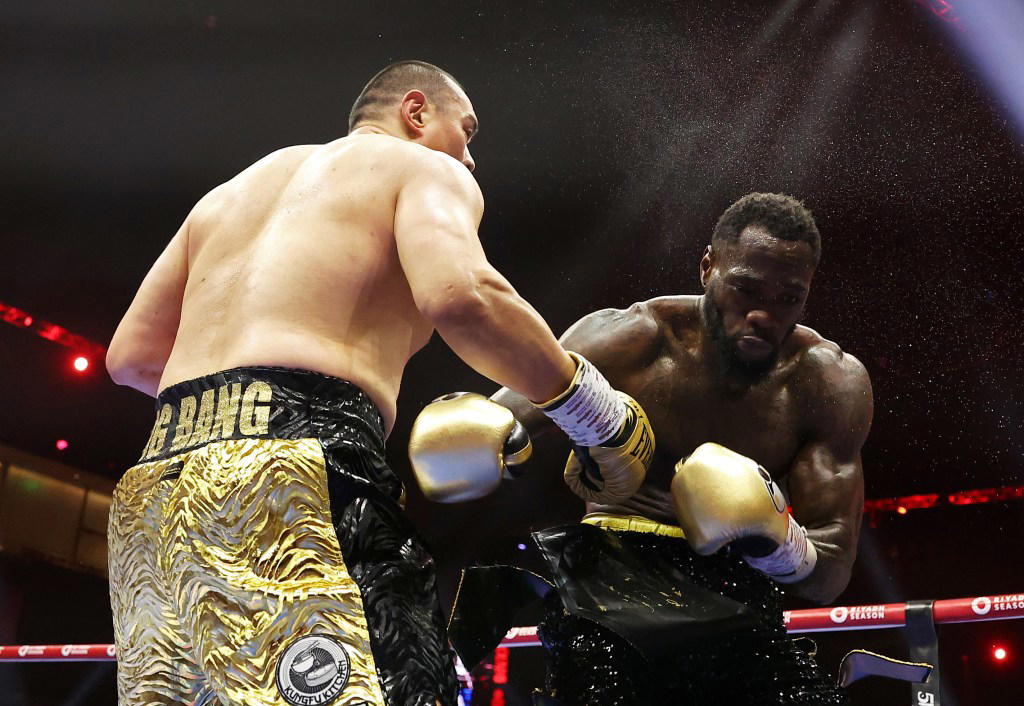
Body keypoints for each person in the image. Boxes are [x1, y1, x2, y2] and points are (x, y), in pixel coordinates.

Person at [105, 60, 653, 706]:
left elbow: (131, 357)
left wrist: (233, 418)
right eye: (466, 131)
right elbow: (463, 296)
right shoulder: (421, 168)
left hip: (154, 492)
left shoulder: (226, 196)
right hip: (296, 471)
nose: (471, 160)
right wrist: (597, 414)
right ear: (416, 113)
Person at [413, 193, 872, 705]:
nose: (764, 314)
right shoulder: (628, 340)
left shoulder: (826, 382)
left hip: (739, 603)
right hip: (608, 593)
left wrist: (777, 536)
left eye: (790, 297)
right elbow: (494, 422)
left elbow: (830, 571)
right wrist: (484, 437)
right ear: (707, 267)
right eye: (745, 288)